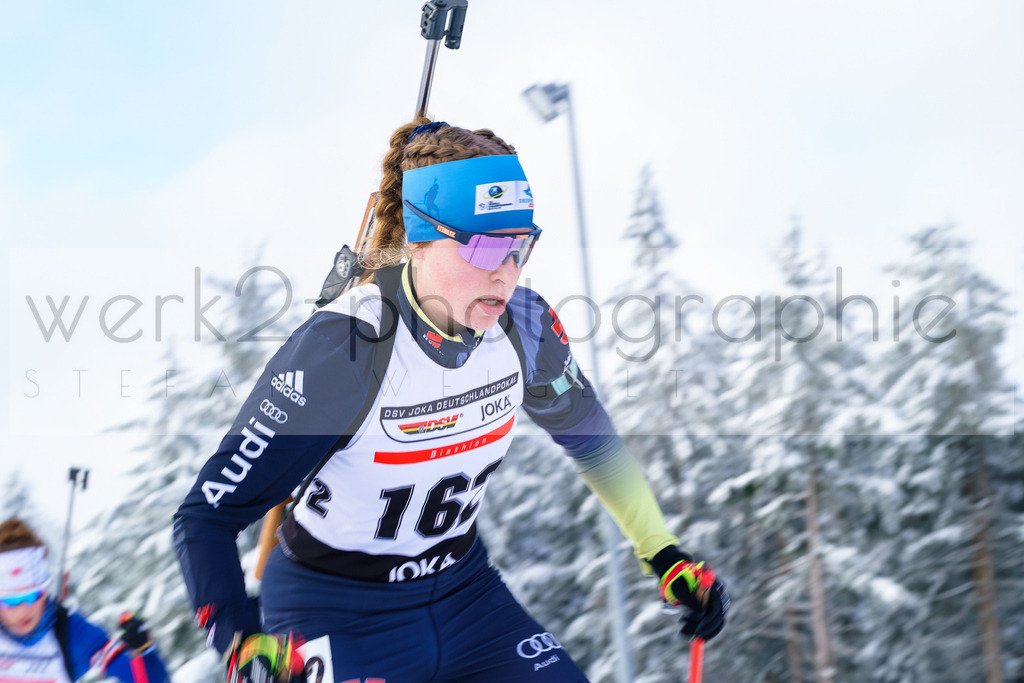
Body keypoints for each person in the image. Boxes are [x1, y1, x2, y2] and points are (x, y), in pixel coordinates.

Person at [173, 118, 729, 683]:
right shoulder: (345, 349)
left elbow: (594, 443)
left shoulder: (527, 329)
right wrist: (242, 642)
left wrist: (663, 552)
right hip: (335, 611)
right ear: (419, 240)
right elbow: (206, 517)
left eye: (521, 248)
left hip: (464, 595)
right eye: (485, 248)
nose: (507, 275)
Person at [0, 517, 169, 683]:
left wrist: (143, 649)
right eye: (10, 602)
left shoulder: (70, 632)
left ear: (44, 591)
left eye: (31, 597)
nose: (22, 610)